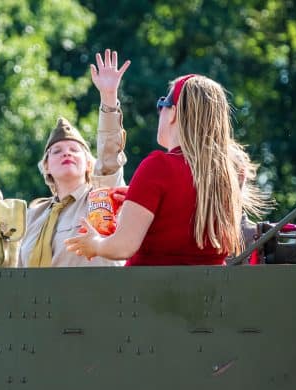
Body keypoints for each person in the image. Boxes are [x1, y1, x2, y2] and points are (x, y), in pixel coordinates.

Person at [66, 74, 263, 265]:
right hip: (211, 286)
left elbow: (123, 246)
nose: (159, 111)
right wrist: (140, 198)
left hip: (149, 286)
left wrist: (95, 244)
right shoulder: (228, 176)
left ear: (174, 113)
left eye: (162, 104)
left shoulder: (158, 166)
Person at [18, 49, 130, 267]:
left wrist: (108, 97)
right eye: (57, 151)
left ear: (89, 163)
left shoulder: (101, 197)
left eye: (74, 150)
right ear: (46, 167)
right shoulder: (34, 215)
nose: (67, 153)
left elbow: (109, 154)